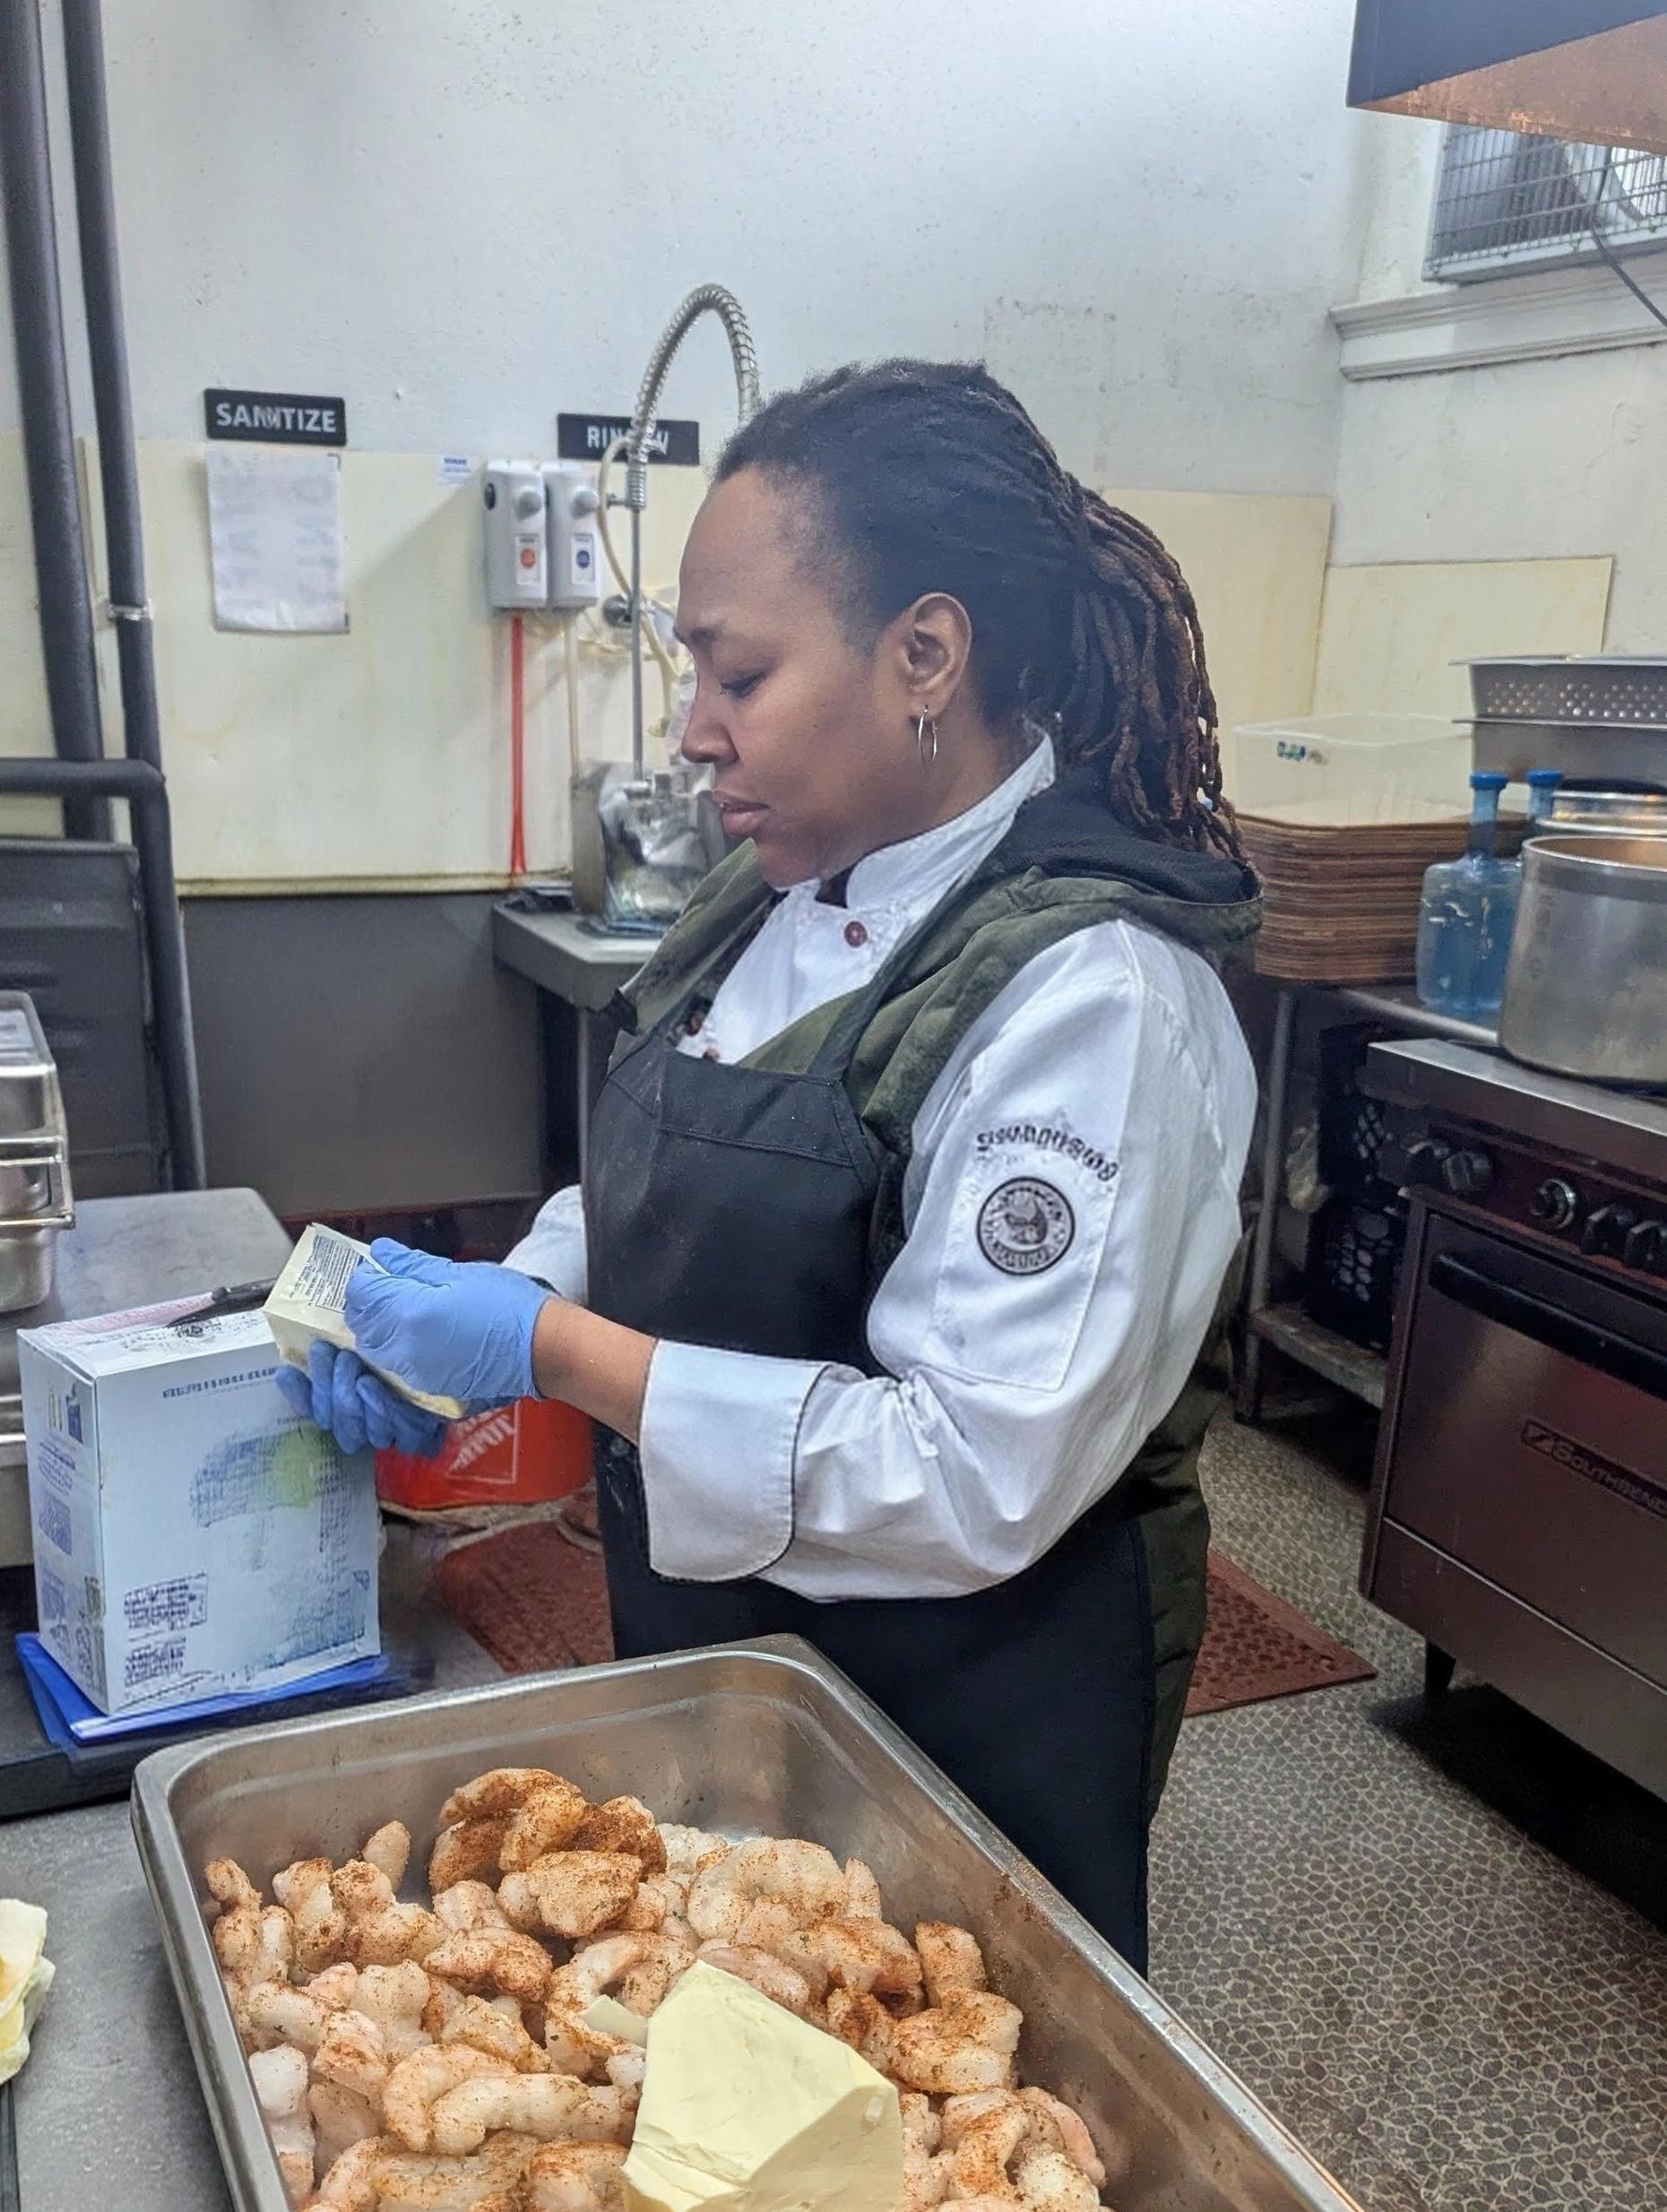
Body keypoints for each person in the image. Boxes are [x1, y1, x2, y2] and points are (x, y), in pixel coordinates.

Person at [281, 360, 1259, 1971]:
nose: (694, 732)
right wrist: (503, 1301)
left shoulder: (1097, 1001)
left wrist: (549, 1354)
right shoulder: (781, 885)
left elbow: (971, 1474)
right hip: (733, 1668)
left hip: (965, 1716)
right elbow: (672, 1183)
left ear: (924, 655)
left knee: (922, 2078)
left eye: (738, 673)